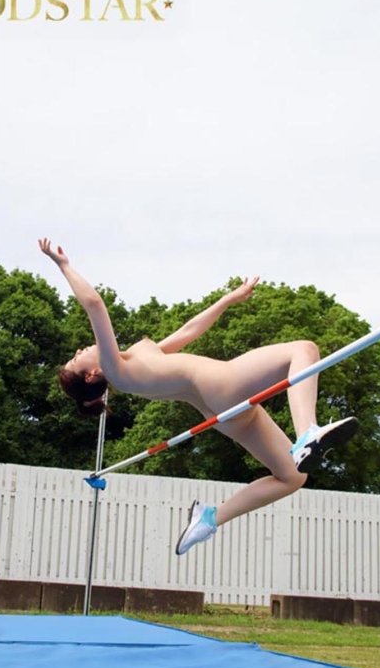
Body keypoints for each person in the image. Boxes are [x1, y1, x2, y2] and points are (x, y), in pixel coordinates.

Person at [39, 238, 358, 556]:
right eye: (75, 359)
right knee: (304, 350)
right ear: (92, 375)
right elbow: (94, 304)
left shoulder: (133, 360)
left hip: (225, 416)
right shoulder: (114, 369)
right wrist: (64, 265)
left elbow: (188, 332)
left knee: (293, 477)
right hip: (222, 385)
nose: (79, 350)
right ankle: (307, 434)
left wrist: (227, 301)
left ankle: (210, 518)